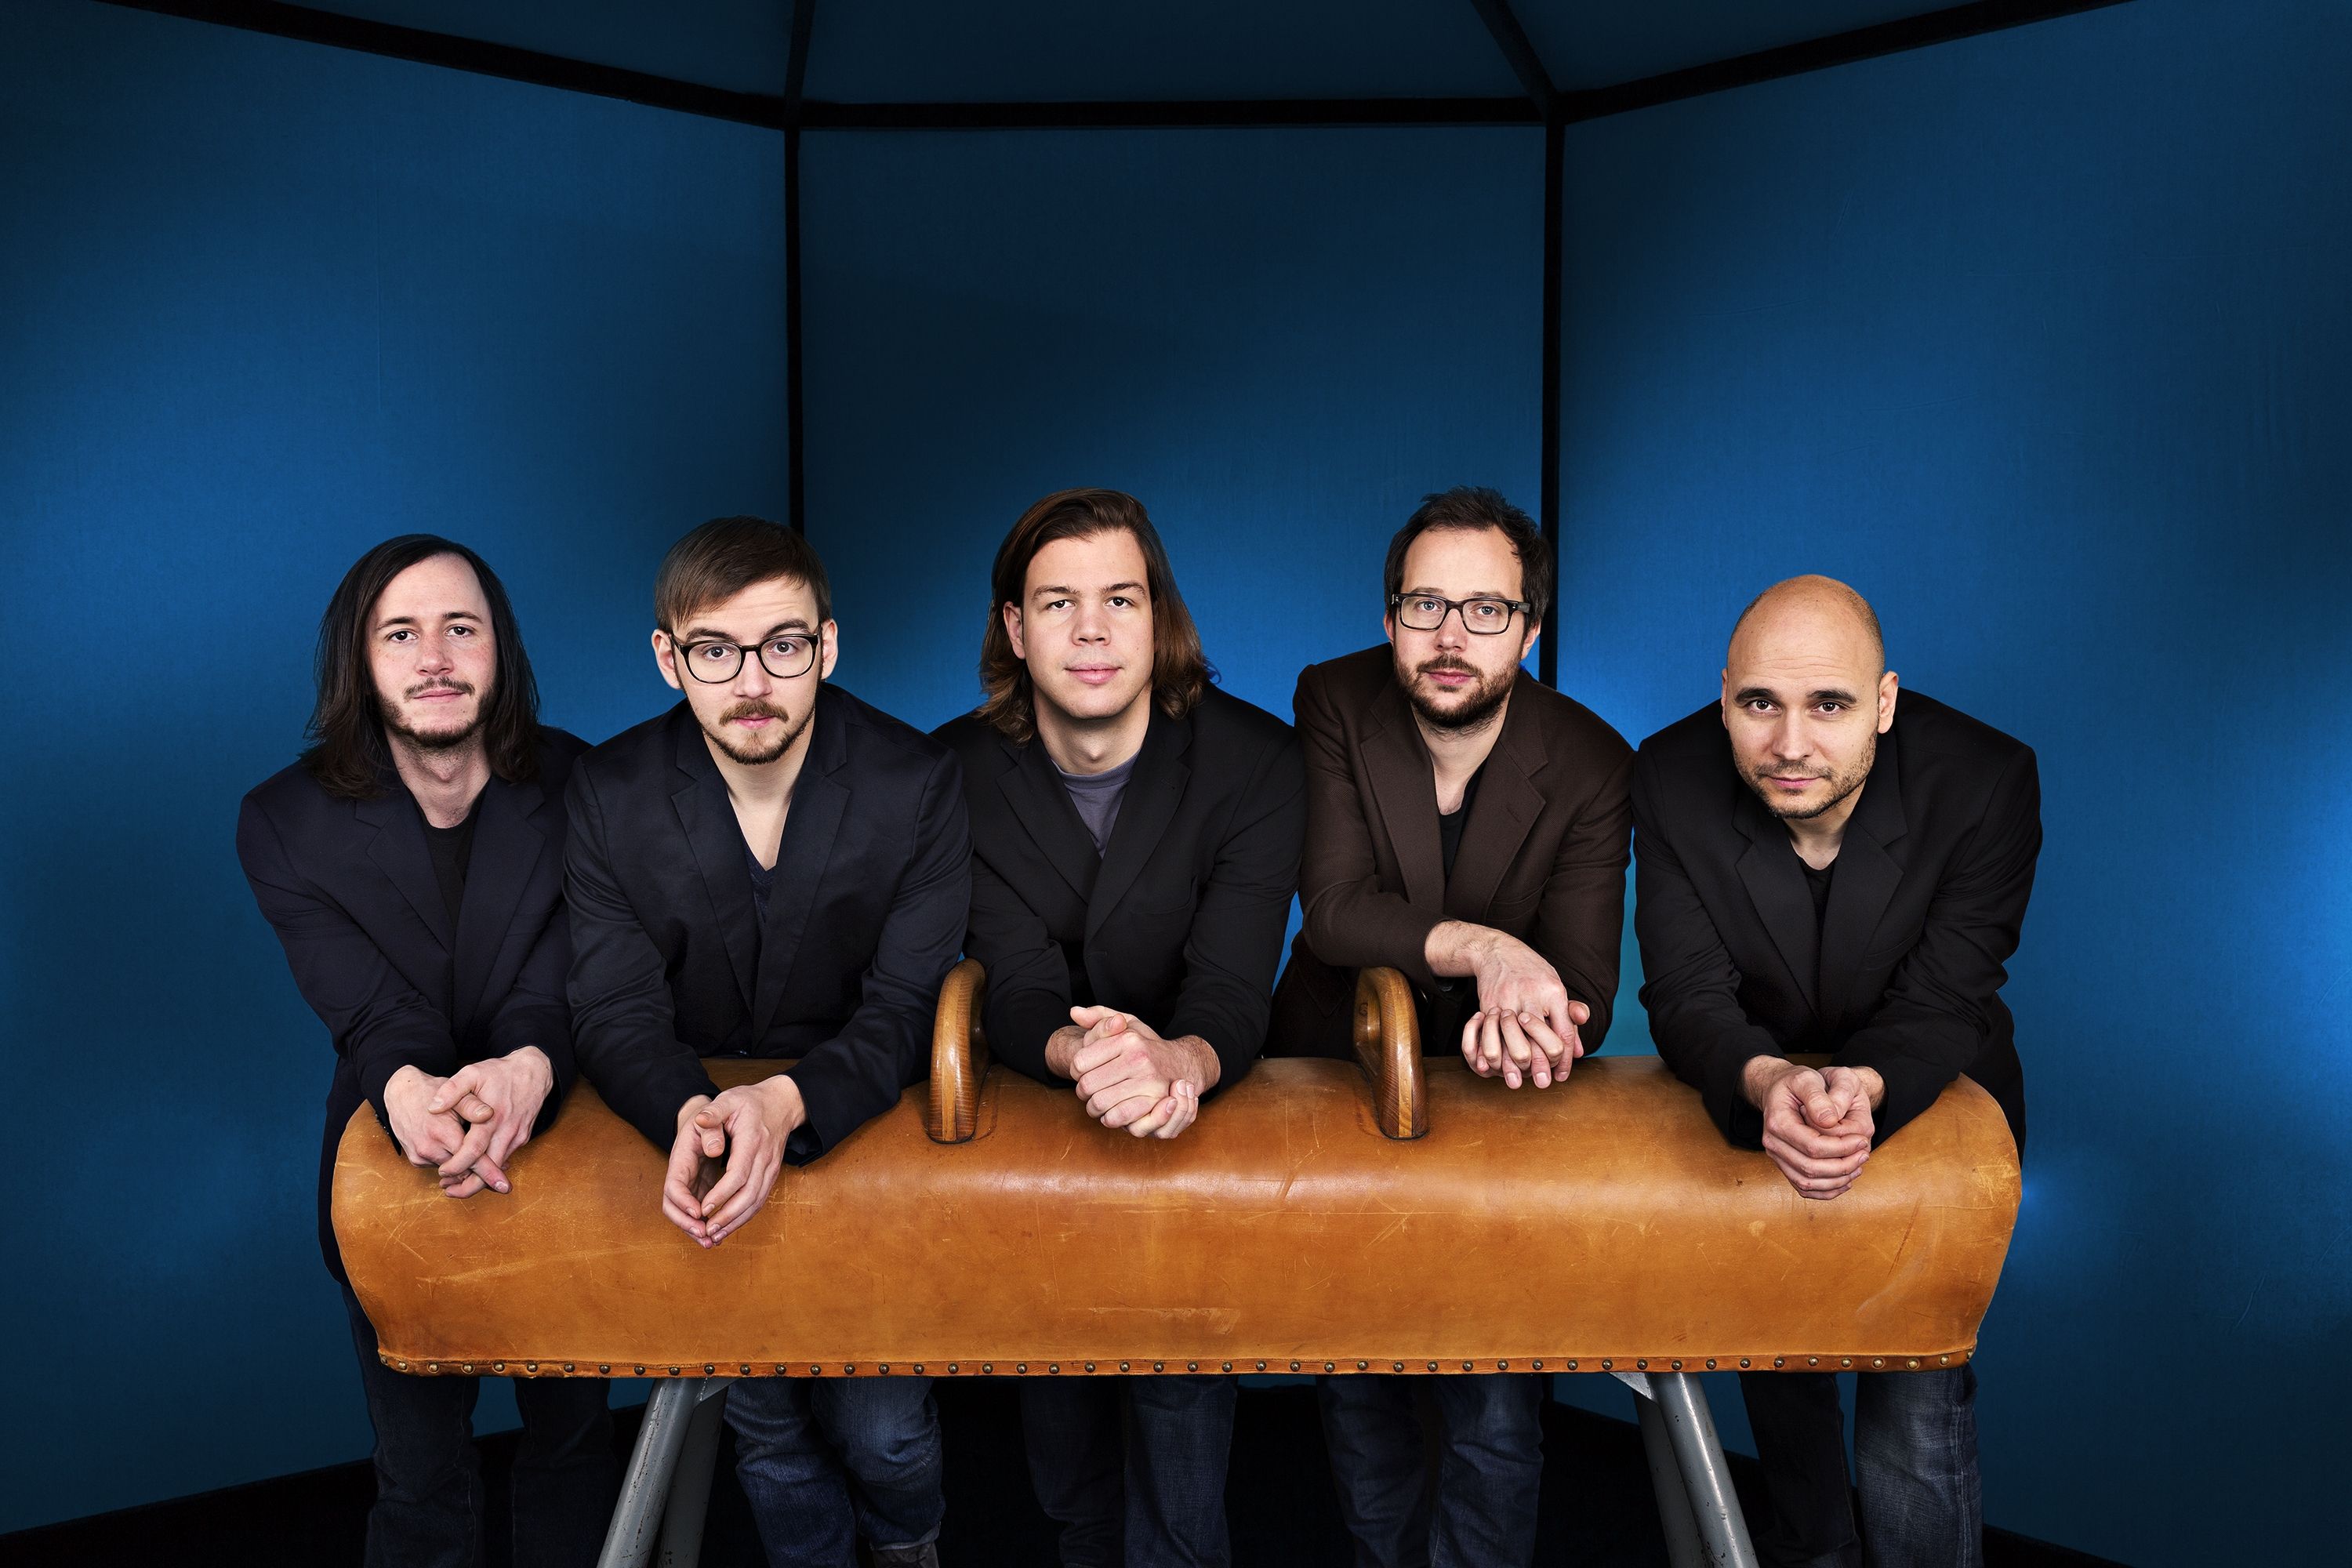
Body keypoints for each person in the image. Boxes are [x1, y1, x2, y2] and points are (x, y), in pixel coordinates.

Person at [564, 517, 967, 1568]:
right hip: (697, 1142)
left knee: (884, 1431)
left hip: (860, 1133)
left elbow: (906, 1005)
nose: (753, 681)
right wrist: (690, 1115)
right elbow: (612, 1010)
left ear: (828, 645)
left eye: (784, 645)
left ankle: (911, 1547)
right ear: (668, 659)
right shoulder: (607, 793)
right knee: (769, 1431)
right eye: (716, 650)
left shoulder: (917, 780)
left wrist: (786, 1102)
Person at [1632, 575, 2039, 1568]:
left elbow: (1946, 997)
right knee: (1778, 1370)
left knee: (1916, 1397)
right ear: (1723, 694)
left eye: (1830, 704)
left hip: (1930, 1098)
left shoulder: (1986, 778)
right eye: (1758, 702)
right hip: (1753, 1098)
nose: (1790, 743)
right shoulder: (1670, 774)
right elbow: (1686, 993)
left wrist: (1863, 1090)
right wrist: (1767, 1082)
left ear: (1885, 703)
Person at [935, 489, 1304, 1566]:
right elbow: (1011, 985)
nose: (1091, 630)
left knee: (1181, 1416)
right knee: (1064, 1439)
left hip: (1193, 1107)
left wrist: (1174, 1062)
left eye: (1120, 600)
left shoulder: (1257, 762)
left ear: (1159, 617)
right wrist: (1085, 1055)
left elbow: (1233, 985)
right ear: (1015, 628)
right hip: (1042, 1111)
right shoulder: (949, 773)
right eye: (1059, 603)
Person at [1269, 487, 1633, 1566]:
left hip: (1498, 1092)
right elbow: (1335, 912)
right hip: (1339, 1067)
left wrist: (1534, 1026)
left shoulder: (1593, 761)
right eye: (1425, 604)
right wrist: (1486, 949)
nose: (1450, 636)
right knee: (1360, 1381)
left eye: (1486, 611)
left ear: (1530, 629)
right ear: (1389, 616)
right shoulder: (1333, 697)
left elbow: (1585, 984)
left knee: (1496, 1403)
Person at [238, 535, 616, 1568]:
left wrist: (529, 1066)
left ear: (501, 649)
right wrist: (406, 1088)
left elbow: (568, 971)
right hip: (395, 1165)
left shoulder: (589, 784)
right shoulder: (283, 821)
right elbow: (370, 1009)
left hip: (566, 1151)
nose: (435, 657)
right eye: (400, 633)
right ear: (360, 660)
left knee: (576, 1451)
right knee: (420, 1476)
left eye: (461, 628)